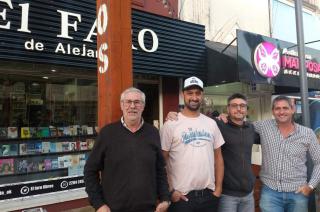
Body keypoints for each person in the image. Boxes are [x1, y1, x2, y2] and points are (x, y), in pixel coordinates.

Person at [166, 93, 260, 212]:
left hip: (248, 194)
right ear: (228, 109)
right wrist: (174, 114)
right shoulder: (218, 124)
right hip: (227, 194)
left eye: (242, 106)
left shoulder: (251, 129)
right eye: (234, 105)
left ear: (247, 109)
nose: (238, 109)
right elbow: (195, 118)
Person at [84, 87, 170, 212]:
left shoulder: (153, 133)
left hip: (148, 208)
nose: (132, 106)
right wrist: (98, 204)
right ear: (122, 105)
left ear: (143, 106)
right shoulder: (107, 133)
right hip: (113, 209)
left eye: (137, 102)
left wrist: (165, 198)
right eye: (128, 102)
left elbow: (160, 170)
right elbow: (90, 171)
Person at [160, 76, 225, 212]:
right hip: (182, 198)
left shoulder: (211, 123)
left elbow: (218, 158)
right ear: (183, 94)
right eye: (190, 93)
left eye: (197, 93)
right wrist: (170, 191)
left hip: (209, 196)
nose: (194, 97)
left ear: (202, 95)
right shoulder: (171, 124)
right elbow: (161, 161)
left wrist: (218, 189)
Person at [254, 95, 320, 212]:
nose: (281, 112)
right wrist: (224, 118)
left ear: (292, 109)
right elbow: (241, 125)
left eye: (285, 108)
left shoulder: (307, 133)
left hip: (298, 193)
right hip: (270, 193)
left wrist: (310, 186)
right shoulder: (263, 126)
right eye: (277, 108)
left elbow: (318, 161)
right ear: (273, 111)